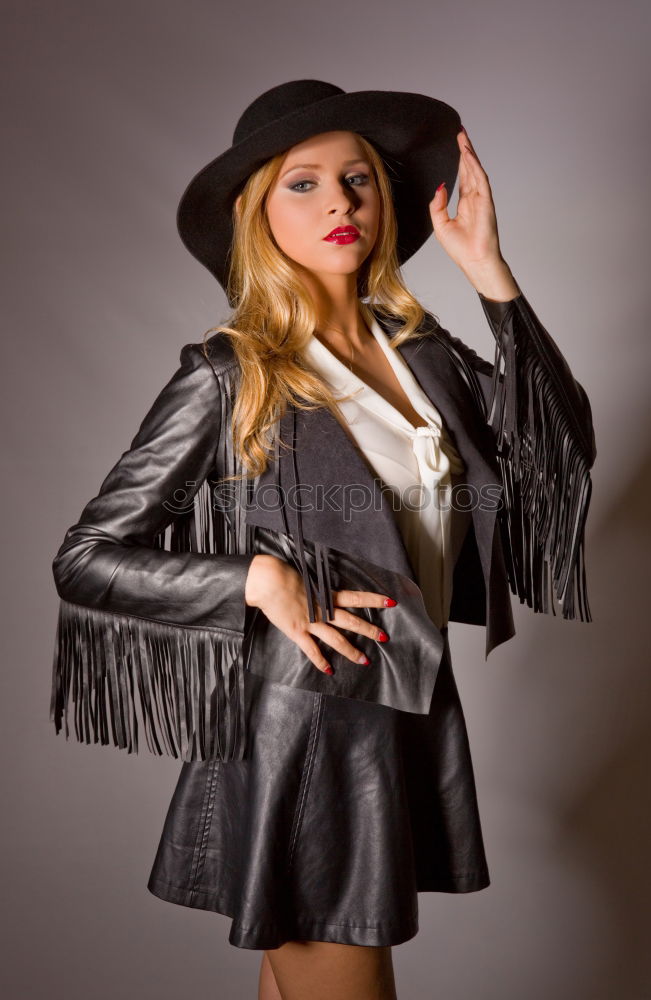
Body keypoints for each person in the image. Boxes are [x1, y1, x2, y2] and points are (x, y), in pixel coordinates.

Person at [49, 81, 596, 1000]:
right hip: (309, 729)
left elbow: (560, 446)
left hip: (394, 711)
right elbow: (87, 556)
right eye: (303, 183)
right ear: (257, 214)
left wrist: (492, 276)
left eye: (358, 179)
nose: (340, 200)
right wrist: (257, 579)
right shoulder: (232, 373)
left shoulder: (421, 352)